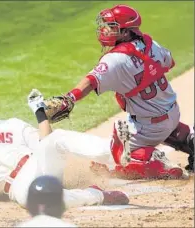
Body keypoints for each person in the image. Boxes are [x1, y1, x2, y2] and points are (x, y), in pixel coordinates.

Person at [0, 82, 129, 209]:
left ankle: (112, 150)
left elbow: (45, 141)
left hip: (37, 163)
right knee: (42, 202)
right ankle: (97, 195)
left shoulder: (12, 124)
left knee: (57, 138)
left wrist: (40, 112)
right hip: (17, 187)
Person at [52, 4, 194, 179]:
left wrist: (69, 98)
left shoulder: (115, 59)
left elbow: (91, 81)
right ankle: (189, 139)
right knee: (155, 122)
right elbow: (169, 62)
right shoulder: (151, 43)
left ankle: (155, 163)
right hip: (173, 113)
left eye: (113, 27)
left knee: (119, 150)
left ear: (126, 32)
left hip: (151, 126)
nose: (106, 30)